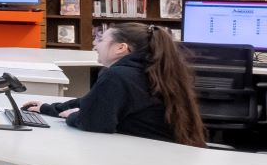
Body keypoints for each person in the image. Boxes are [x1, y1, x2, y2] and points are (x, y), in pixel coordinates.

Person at [22, 21, 206, 145]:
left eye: (101, 40)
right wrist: (48, 108)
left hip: (147, 159)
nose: (95, 44)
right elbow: (91, 101)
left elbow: (93, 124)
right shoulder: (148, 70)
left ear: (121, 48)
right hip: (167, 153)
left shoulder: (118, 76)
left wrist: (73, 116)